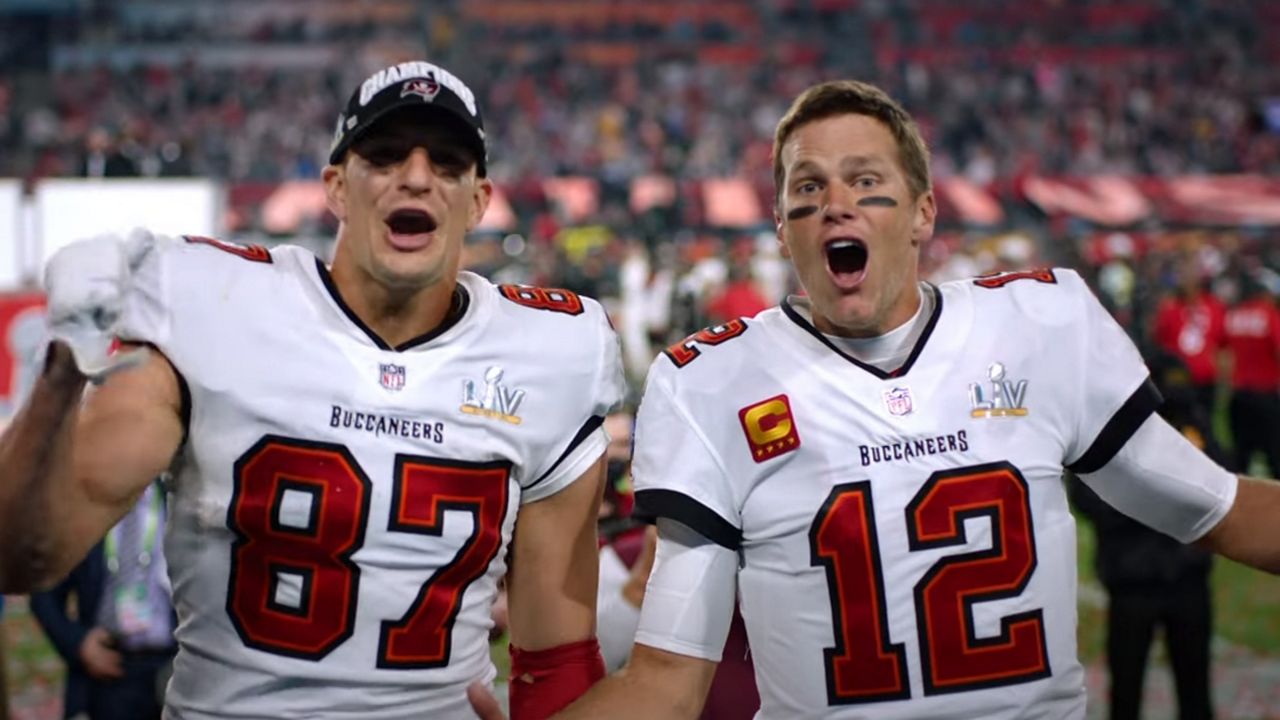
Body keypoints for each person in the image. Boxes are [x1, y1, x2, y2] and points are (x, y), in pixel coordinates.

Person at [471, 79, 1280, 720]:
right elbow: (668, 679)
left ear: (925, 212)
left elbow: (1217, 507)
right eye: (808, 188)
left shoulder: (1040, 326)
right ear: (784, 231)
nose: (837, 204)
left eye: (866, 181)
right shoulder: (713, 382)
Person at [0, 59, 625, 720]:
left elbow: (556, 655)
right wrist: (62, 374)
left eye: (446, 163)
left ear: (477, 201)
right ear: (334, 187)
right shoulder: (217, 307)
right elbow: (24, 559)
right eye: (383, 157)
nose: (416, 177)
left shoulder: (548, 353)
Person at [1069, 350, 1223, 720]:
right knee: (1126, 690)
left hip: (1186, 573)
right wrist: (1157, 506)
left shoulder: (1190, 420)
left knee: (1196, 690)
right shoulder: (1109, 424)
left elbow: (1222, 482)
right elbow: (1087, 497)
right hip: (1132, 576)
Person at [31, 480, 177, 720]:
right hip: (110, 670)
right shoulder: (86, 511)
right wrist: (79, 643)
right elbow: (44, 595)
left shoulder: (178, 503)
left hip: (173, 667)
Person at [1222, 271, 1280, 475]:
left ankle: (1242, 507)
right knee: (1275, 458)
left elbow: (1223, 350)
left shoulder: (1234, 315)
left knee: (1240, 461)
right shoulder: (1270, 316)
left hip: (1239, 396)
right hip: (1266, 395)